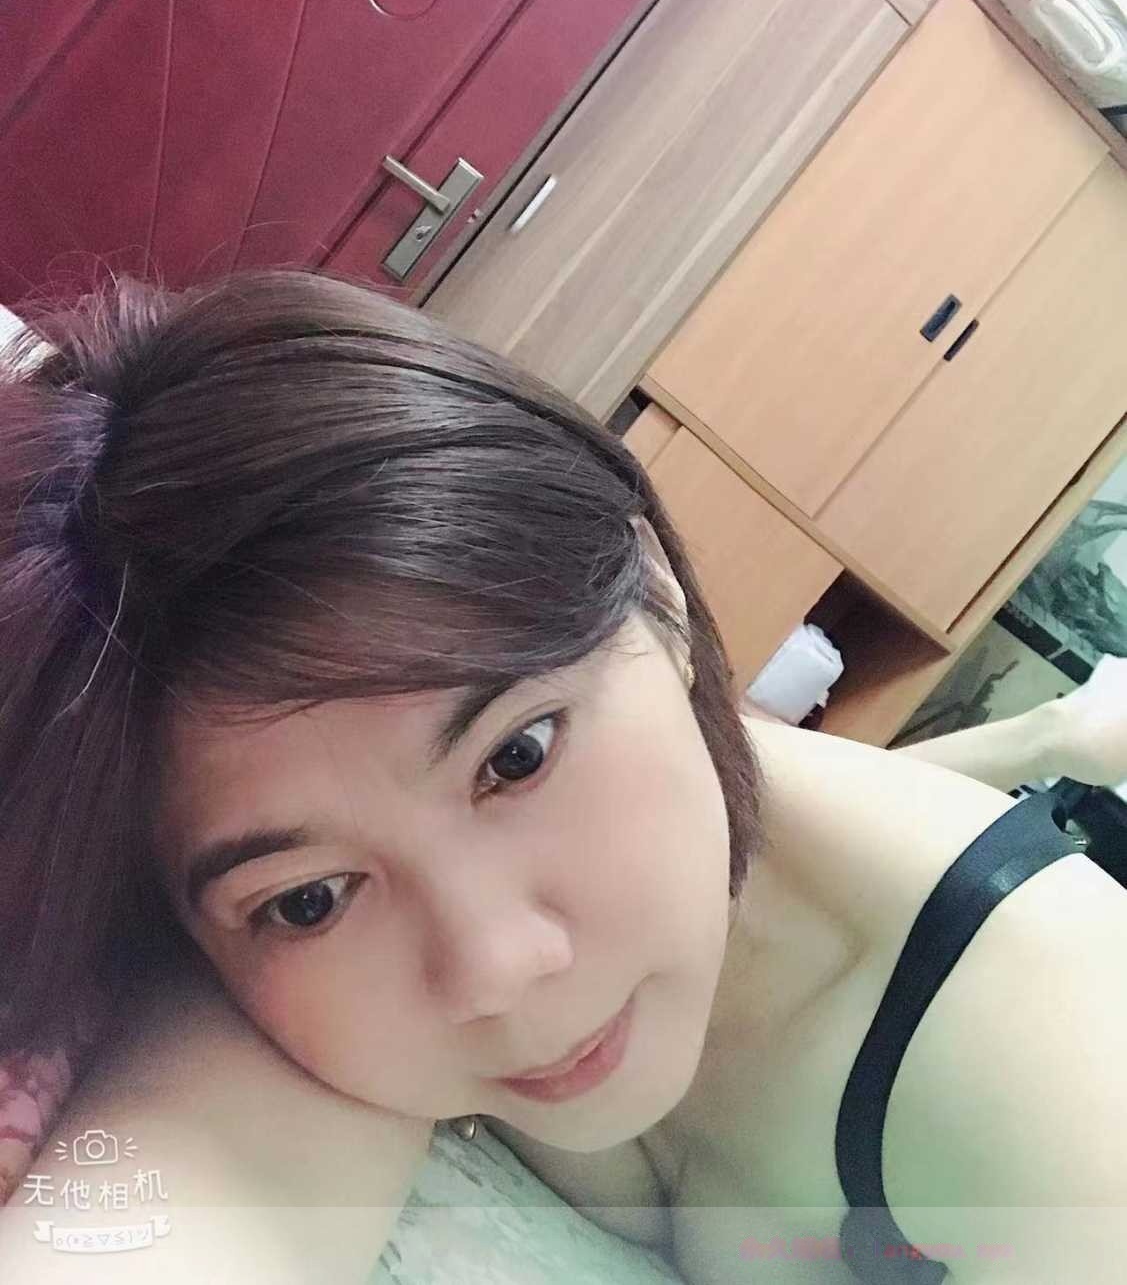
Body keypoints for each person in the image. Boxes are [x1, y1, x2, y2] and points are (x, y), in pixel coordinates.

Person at [0, 271, 1123, 1284]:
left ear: (656, 587)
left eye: (517, 756)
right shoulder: (268, 945)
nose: (495, 969)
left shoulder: (1066, 1087)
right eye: (311, 899)